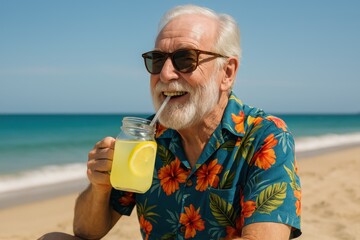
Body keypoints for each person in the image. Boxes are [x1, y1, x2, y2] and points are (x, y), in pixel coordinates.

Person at [40, 4, 301, 240]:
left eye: (186, 59)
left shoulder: (265, 136)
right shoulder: (147, 135)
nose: (165, 74)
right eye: (157, 60)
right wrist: (100, 186)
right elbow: (86, 231)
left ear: (227, 73)